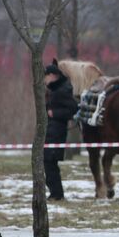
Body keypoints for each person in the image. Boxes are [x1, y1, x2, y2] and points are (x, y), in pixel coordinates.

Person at [43, 61, 78, 202]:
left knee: (50, 162)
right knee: (48, 162)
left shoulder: (62, 91)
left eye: (45, 76)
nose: (44, 79)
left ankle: (57, 194)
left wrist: (54, 113)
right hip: (51, 130)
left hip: (57, 131)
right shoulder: (55, 90)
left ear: (52, 75)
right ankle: (55, 193)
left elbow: (73, 109)